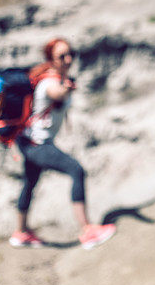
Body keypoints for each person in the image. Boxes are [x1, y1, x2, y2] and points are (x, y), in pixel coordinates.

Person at [8, 37, 116, 250]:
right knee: (76, 170)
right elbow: (55, 92)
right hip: (37, 144)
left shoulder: (54, 78)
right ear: (51, 59)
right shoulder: (50, 82)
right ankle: (88, 231)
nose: (68, 59)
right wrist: (66, 86)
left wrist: (66, 83)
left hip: (29, 142)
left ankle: (21, 233)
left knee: (30, 182)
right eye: (62, 56)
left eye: (70, 54)